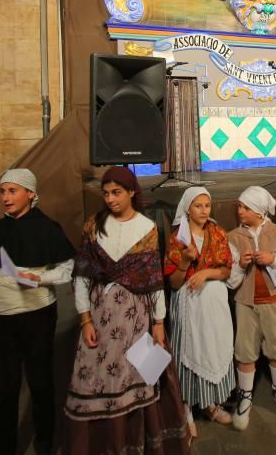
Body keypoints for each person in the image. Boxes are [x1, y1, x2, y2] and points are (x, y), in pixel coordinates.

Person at [64, 167, 190, 454]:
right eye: (106, 193)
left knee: (139, 377)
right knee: (97, 379)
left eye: (116, 193)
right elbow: (82, 276)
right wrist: (85, 319)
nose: (110, 199)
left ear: (132, 192)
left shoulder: (146, 228)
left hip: (135, 318)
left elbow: (153, 279)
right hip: (100, 316)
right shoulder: (93, 226)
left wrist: (159, 322)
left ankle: (137, 442)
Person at [0, 169, 75, 455]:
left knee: (40, 382)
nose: (5, 197)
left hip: (37, 312)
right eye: (2, 191)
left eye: (12, 191)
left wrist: (41, 278)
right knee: (5, 387)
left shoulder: (48, 229)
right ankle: (6, 447)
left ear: (30, 194)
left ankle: (45, 443)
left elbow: (66, 268)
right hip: (0, 316)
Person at [226, 186, 276, 431]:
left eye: (245, 207)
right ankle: (245, 396)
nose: (240, 211)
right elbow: (231, 280)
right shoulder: (233, 237)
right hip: (246, 304)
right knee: (245, 350)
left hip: (275, 302)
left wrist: (274, 260)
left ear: (259, 212)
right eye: (239, 206)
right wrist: (239, 265)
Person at [164, 187, 235, 432]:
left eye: (207, 205)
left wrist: (206, 272)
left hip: (213, 306)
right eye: (198, 206)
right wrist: (185, 261)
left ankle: (210, 404)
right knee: (188, 352)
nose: (204, 210)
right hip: (188, 305)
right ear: (187, 208)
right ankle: (186, 411)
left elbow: (226, 270)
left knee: (212, 348)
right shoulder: (178, 239)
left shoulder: (217, 233)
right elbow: (173, 282)